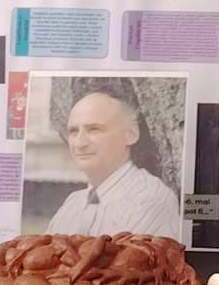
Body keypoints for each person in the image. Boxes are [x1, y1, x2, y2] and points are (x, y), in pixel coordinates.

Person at [45, 89, 182, 240]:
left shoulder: (150, 199)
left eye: (94, 129)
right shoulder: (72, 203)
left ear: (131, 134)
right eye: (73, 131)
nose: (80, 143)